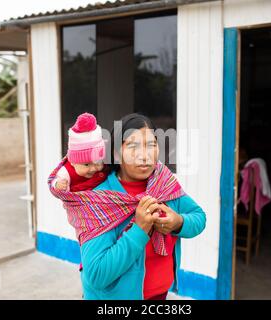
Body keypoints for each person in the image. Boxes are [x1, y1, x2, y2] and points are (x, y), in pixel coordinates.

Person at [80, 113, 206, 300]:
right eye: (133, 146)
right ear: (116, 153)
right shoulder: (99, 200)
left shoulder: (164, 184)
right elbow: (97, 275)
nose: (144, 155)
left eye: (151, 145)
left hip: (160, 295)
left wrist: (178, 223)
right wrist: (139, 230)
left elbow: (199, 216)